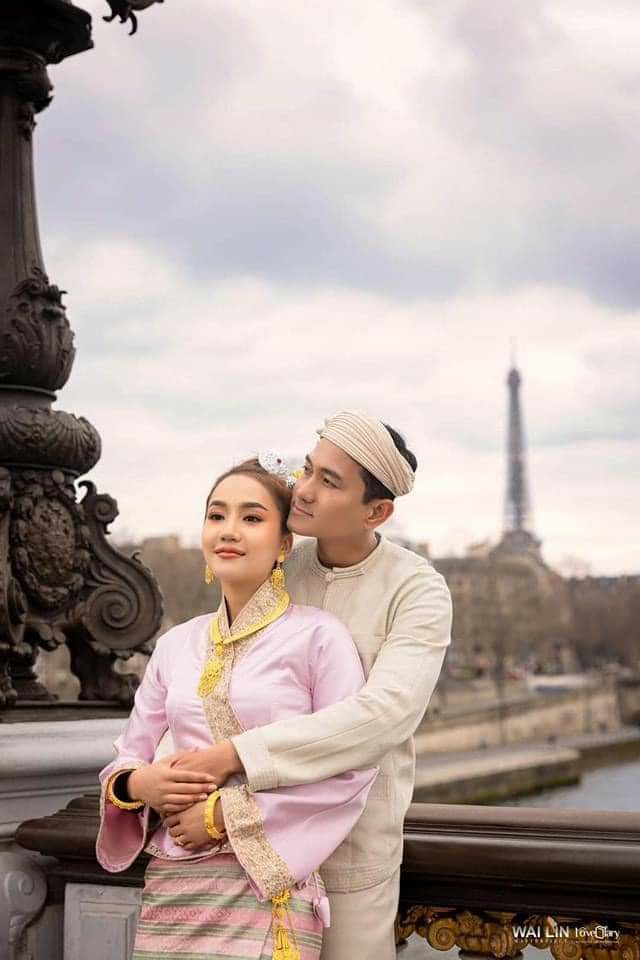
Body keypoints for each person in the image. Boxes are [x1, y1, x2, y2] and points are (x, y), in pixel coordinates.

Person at [169, 410, 453, 960]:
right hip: (246, 837)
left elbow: (384, 716)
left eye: (329, 481)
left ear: (377, 511)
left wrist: (235, 756)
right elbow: (217, 676)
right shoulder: (278, 565)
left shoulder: (417, 589)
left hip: (350, 849)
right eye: (307, 469)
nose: (303, 490)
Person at [96, 456, 378, 960]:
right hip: (172, 886)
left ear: (284, 543)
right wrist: (140, 785)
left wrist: (226, 814)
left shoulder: (319, 637)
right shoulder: (176, 645)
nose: (229, 530)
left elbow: (350, 763)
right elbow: (128, 755)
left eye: (251, 517)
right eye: (216, 515)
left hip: (265, 888)